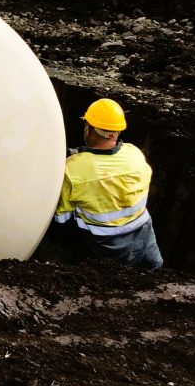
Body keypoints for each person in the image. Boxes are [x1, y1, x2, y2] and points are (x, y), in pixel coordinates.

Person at [50, 97, 163, 270]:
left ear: (89, 129)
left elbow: (61, 221)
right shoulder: (135, 154)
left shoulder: (72, 171)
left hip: (107, 254)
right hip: (144, 247)